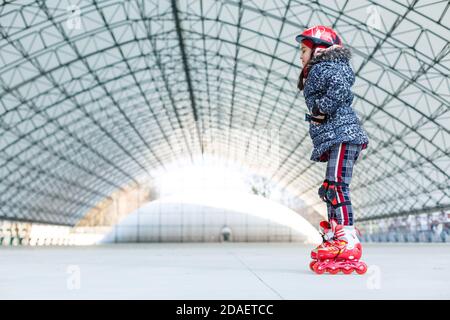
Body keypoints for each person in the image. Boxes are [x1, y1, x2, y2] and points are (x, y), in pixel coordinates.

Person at [296, 26, 369, 274]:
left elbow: (340, 87)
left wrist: (321, 110)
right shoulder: (320, 69)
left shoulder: (327, 67)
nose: (300, 55)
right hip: (337, 136)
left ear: (319, 50)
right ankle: (335, 235)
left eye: (304, 50)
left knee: (337, 186)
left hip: (344, 135)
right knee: (330, 188)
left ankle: (347, 238)